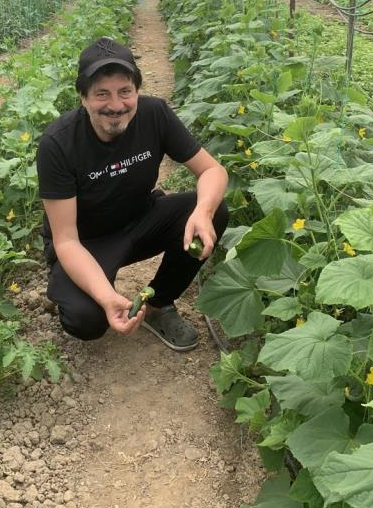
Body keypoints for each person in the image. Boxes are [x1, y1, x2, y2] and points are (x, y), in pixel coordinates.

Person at [35, 36, 229, 351]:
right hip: (86, 244)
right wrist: (106, 296)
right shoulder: (58, 145)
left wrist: (203, 212)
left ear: (136, 91)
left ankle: (158, 305)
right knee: (86, 320)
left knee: (214, 208)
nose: (116, 105)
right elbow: (66, 240)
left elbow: (213, 171)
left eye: (125, 91)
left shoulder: (155, 114)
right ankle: (95, 292)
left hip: (140, 221)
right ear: (82, 97)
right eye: (102, 94)